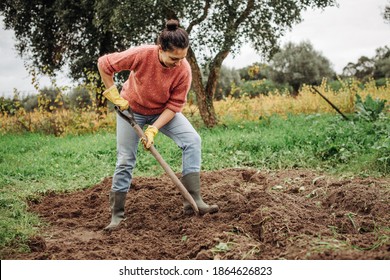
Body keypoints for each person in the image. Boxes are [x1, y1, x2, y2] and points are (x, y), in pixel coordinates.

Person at [97, 19, 219, 230]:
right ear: (160, 49)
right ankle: (117, 215)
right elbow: (104, 64)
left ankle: (194, 200)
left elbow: (174, 105)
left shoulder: (184, 70)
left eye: (182, 57)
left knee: (192, 140)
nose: (178, 62)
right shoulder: (143, 54)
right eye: (173, 58)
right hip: (130, 110)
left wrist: (154, 128)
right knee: (126, 159)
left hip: (162, 112)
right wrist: (114, 95)